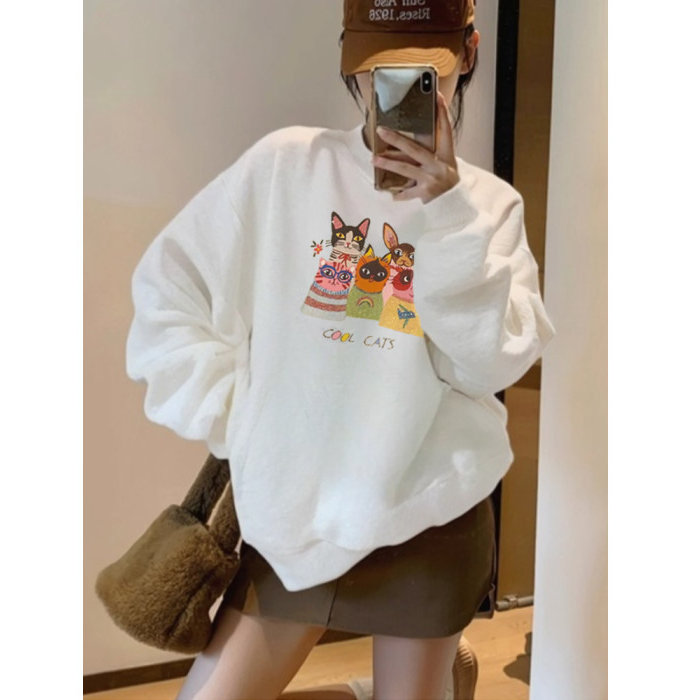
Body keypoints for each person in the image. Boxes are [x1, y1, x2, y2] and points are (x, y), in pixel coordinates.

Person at [126, 1, 555, 698]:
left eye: (422, 73)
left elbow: (491, 365)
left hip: (428, 515)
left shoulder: (491, 207)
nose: (398, 93)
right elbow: (169, 293)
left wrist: (448, 218)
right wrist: (243, 420)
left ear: (469, 53)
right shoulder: (283, 167)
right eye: (379, 71)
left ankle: (435, 678)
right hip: (298, 515)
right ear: (348, 59)